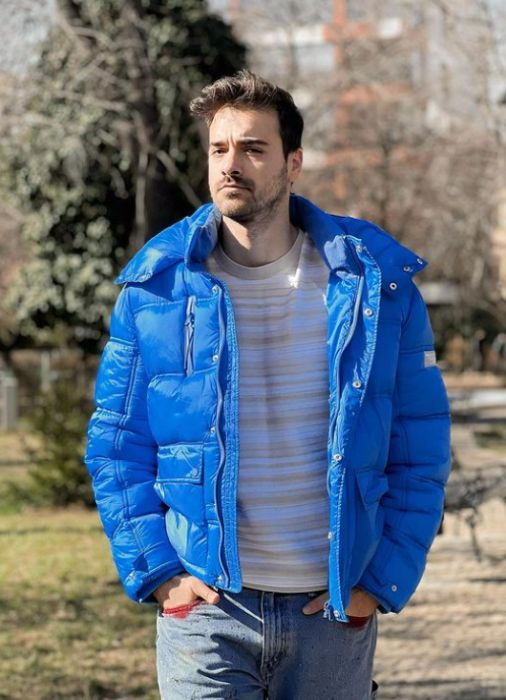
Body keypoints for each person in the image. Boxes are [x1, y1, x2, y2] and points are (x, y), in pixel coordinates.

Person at [85, 71, 452, 699]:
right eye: (219, 148)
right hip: (206, 611)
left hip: (331, 611)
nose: (231, 165)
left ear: (293, 164)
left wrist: (377, 583)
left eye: (254, 149)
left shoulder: (374, 288)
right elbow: (116, 444)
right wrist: (161, 574)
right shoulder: (158, 289)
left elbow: (421, 447)